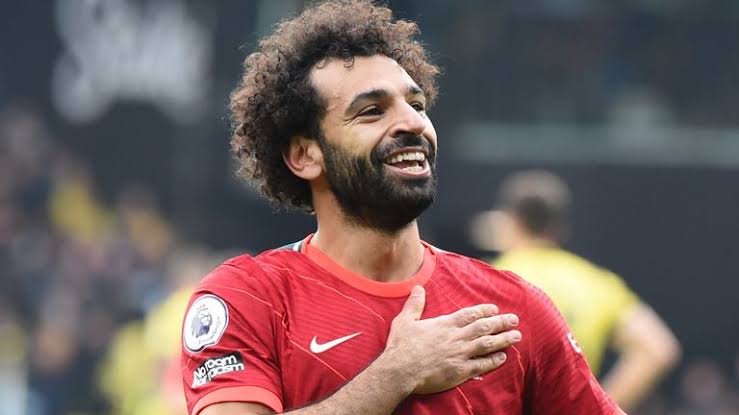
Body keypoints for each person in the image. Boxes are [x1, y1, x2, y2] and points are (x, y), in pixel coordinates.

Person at [180, 1, 625, 414]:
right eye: (372, 111)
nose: (413, 123)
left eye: (416, 105)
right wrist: (396, 374)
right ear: (304, 155)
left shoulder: (511, 309)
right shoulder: (248, 298)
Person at [475, 170, 680, 412]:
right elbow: (657, 349)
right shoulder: (596, 282)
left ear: (510, 221)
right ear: (558, 226)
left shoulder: (486, 279)